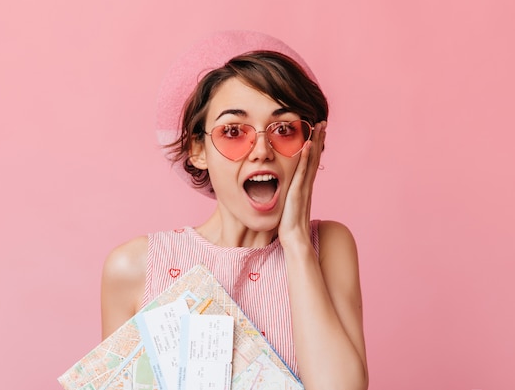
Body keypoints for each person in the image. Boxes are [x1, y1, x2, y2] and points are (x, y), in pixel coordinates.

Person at [101, 30, 368, 390]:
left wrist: (296, 243)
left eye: (284, 128)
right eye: (232, 131)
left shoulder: (327, 247)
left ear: (310, 145)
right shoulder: (135, 267)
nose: (261, 150)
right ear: (198, 149)